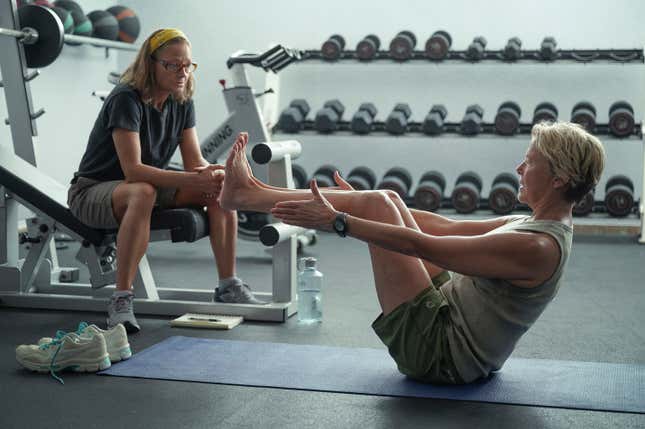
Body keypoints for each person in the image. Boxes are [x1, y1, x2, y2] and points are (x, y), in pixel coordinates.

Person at [218, 122, 605, 384]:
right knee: (384, 199)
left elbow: (422, 245)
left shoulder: (536, 246)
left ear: (559, 179)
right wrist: (360, 205)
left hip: (440, 356)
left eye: (531, 162)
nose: (519, 167)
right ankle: (249, 193)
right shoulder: (532, 224)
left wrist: (341, 220)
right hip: (449, 325)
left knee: (375, 204)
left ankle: (248, 196)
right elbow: (445, 226)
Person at [68, 29, 264, 334]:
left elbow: (193, 162)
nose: (183, 73)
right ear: (151, 64)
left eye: (187, 65)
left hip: (143, 189)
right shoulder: (126, 99)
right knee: (142, 191)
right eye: (173, 65)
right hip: (93, 191)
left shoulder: (181, 100)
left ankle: (228, 285)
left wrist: (215, 172)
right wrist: (192, 179)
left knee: (217, 188)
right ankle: (121, 299)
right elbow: (133, 170)